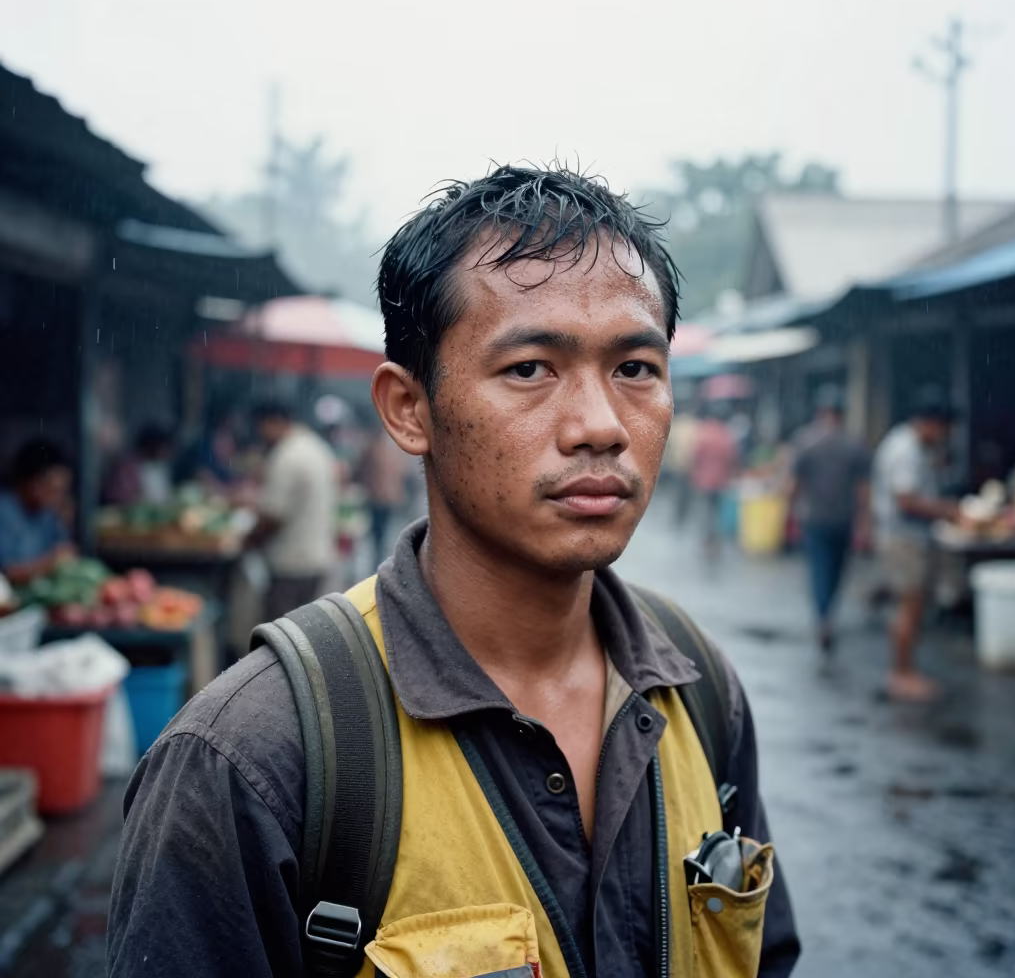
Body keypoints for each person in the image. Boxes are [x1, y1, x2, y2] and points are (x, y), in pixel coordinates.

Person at [108, 165, 800, 978]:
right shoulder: (254, 756)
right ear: (409, 408)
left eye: (636, 369)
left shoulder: (698, 691)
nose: (601, 426)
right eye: (530, 369)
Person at [872, 387, 961, 701]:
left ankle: (904, 670)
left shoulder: (912, 445)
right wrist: (950, 510)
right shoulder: (906, 449)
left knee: (911, 606)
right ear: (932, 422)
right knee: (909, 607)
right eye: (944, 428)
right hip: (904, 539)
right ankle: (901, 673)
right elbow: (906, 500)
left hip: (908, 538)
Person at [790, 386, 871, 653]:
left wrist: (789, 512)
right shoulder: (854, 443)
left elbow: (796, 484)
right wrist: (864, 522)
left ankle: (823, 616)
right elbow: (862, 489)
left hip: (814, 517)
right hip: (843, 518)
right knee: (836, 570)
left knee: (819, 569)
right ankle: (828, 614)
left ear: (820, 411)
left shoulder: (805, 440)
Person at [245, 401, 339, 620]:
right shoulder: (315, 446)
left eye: (262, 427)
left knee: (280, 638)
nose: (261, 434)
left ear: (274, 422)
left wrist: (248, 541)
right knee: (301, 632)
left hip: (291, 563)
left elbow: (273, 516)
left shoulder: (287, 456)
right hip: (315, 557)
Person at [0, 439, 76, 585]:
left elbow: (65, 553)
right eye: (54, 490)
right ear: (33, 483)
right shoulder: (4, 512)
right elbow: (5, 573)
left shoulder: (48, 514)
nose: (59, 498)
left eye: (62, 492)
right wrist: (47, 564)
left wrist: (67, 525)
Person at [691, 401, 739, 562]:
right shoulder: (726, 434)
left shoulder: (704, 432)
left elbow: (696, 455)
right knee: (717, 511)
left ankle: (708, 540)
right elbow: (732, 458)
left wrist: (694, 471)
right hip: (721, 479)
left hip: (704, 479)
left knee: (707, 511)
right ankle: (715, 540)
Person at [360, 425, 413, 566]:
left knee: (378, 532)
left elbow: (364, 470)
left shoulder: (373, 448)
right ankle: (379, 560)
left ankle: (377, 561)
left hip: (378, 498)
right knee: (382, 532)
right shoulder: (394, 451)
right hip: (387, 497)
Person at [102, 424, 175, 506]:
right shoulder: (128, 467)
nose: (165, 453)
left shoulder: (159, 467)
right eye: (162, 448)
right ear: (151, 446)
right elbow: (119, 497)